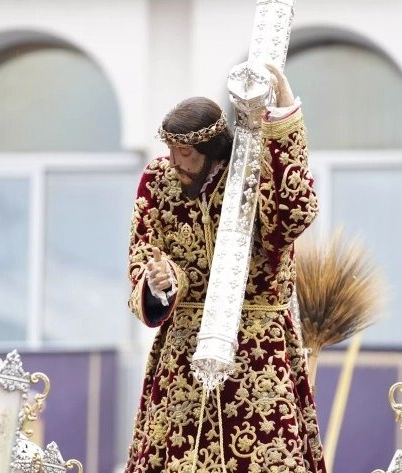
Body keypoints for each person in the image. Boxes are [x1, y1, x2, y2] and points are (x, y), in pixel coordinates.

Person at [123, 64, 326, 473]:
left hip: (258, 347)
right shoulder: (157, 179)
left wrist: (285, 110)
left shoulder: (252, 173)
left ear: (213, 148)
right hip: (185, 349)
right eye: (173, 150)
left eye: (187, 153)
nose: (177, 162)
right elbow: (144, 251)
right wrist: (160, 281)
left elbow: (295, 212)